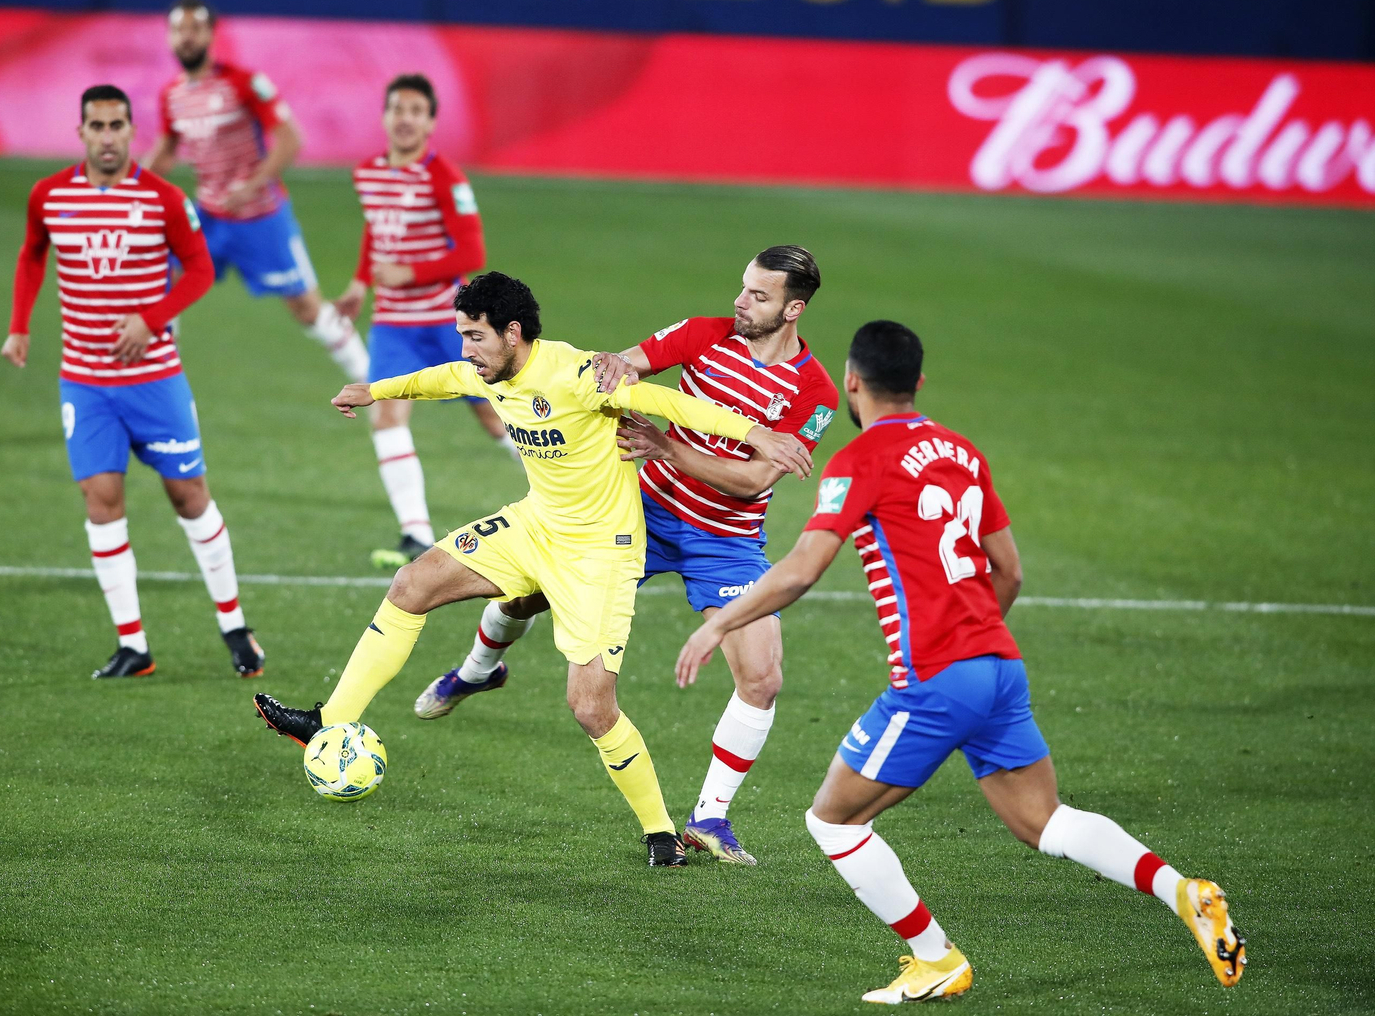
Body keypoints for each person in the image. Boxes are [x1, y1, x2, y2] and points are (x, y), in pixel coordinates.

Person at [675, 320, 1246, 1001]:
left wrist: (721, 626)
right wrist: (972, 646)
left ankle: (934, 958)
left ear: (852, 383)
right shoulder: (961, 451)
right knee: (1045, 821)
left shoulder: (862, 460)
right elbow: (1010, 572)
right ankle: (1181, 889)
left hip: (936, 680)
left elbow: (801, 569)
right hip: (999, 666)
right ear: (918, 383)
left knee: (832, 820)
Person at [253, 272, 815, 866]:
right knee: (412, 582)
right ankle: (329, 719)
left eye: (475, 337)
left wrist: (759, 434)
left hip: (599, 552)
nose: (467, 351)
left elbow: (669, 401)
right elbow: (441, 379)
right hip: (535, 526)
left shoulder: (576, 376)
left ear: (512, 332)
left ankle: (660, 835)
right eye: (463, 337)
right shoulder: (488, 369)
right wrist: (376, 390)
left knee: (591, 707)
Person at [418, 245, 839, 867]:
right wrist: (605, 375)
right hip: (634, 511)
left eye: (758, 296)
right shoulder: (701, 335)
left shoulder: (815, 392)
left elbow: (752, 483)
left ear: (793, 309)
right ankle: (478, 670)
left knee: (763, 676)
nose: (740, 302)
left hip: (724, 540)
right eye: (742, 287)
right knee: (526, 587)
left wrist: (665, 445)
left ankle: (710, 818)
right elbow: (623, 367)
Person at [5, 85, 266, 681]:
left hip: (155, 381)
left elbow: (200, 269)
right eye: (95, 125)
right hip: (86, 384)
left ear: (131, 130)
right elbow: (31, 254)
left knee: (189, 497)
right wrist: (19, 327)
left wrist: (150, 320)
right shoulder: (49, 196)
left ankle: (234, 626)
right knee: (101, 501)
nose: (106, 136)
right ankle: (133, 645)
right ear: (81, 133)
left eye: (116, 124)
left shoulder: (163, 199)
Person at [336, 74, 514, 568]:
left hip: (445, 321)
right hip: (391, 323)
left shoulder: (446, 178)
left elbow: (472, 251)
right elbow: (377, 231)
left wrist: (410, 271)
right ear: (385, 116)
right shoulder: (367, 173)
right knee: (386, 413)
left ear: (431, 122)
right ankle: (414, 533)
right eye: (398, 108)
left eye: (416, 110)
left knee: (492, 410)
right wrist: (359, 283)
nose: (405, 118)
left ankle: (564, 490)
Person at [145, 0, 368, 383]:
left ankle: (373, 380)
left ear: (211, 35)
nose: (186, 38)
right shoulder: (172, 96)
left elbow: (290, 139)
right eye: (178, 30)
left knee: (306, 308)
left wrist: (251, 186)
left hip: (260, 217)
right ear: (169, 38)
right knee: (158, 272)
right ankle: (159, 375)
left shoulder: (244, 83)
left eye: (195, 29)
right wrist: (126, 188)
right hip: (210, 217)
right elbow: (166, 151)